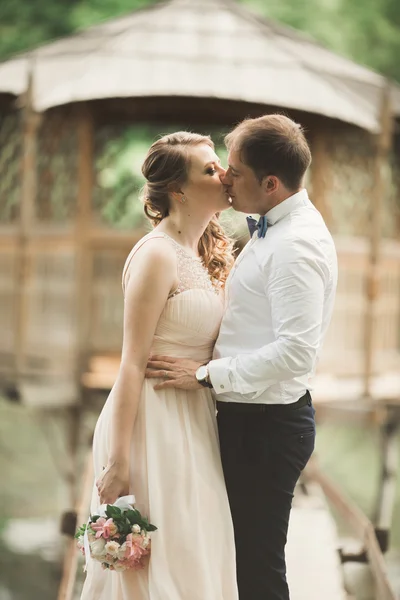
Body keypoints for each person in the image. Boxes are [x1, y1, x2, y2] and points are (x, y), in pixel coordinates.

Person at [147, 114, 338, 600]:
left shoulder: (295, 246)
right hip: (249, 419)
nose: (226, 178)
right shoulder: (273, 227)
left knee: (255, 569)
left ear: (271, 183)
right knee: (234, 559)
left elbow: (296, 353)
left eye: (234, 170)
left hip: (266, 427)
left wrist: (207, 375)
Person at [80, 132, 239, 600]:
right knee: (155, 564)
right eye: (210, 169)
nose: (224, 174)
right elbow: (131, 364)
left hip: (193, 420)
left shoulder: (204, 252)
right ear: (179, 191)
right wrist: (120, 460)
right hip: (150, 425)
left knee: (194, 550)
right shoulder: (155, 255)